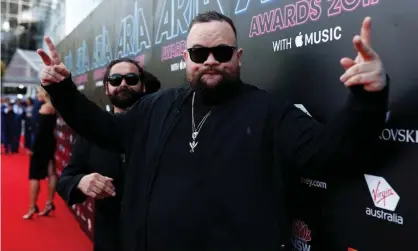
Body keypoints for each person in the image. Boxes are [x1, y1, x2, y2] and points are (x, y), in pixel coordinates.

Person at [38, 11, 388, 251]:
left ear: (238, 56)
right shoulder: (158, 106)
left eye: (221, 51)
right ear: (187, 58)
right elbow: (103, 129)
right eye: (199, 52)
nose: (210, 60)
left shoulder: (270, 112)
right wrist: (64, 90)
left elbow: (329, 153)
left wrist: (367, 99)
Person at [56, 58, 161, 251]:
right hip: (109, 240)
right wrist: (82, 182)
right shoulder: (90, 134)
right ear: (106, 88)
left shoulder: (160, 131)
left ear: (143, 86)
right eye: (115, 79)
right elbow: (64, 181)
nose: (123, 84)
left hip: (153, 239)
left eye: (131, 79)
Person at [23, 87, 58, 220]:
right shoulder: (53, 107)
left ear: (45, 93)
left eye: (39, 92)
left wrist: (33, 148)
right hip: (50, 143)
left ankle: (32, 207)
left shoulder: (44, 108)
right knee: (51, 172)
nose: (37, 95)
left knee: (34, 176)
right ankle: (49, 204)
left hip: (40, 145)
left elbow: (38, 132)